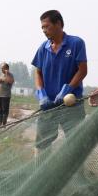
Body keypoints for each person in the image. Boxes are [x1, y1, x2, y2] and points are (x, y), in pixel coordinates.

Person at [31, 10, 88, 150]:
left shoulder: (76, 43)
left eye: (47, 26)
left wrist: (67, 89)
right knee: (42, 144)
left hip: (72, 104)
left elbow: (82, 70)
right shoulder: (43, 48)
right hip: (48, 106)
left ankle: (78, 172)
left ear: (59, 24)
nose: (44, 30)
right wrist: (42, 94)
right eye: (42, 27)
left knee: (77, 143)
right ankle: (42, 171)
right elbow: (37, 72)